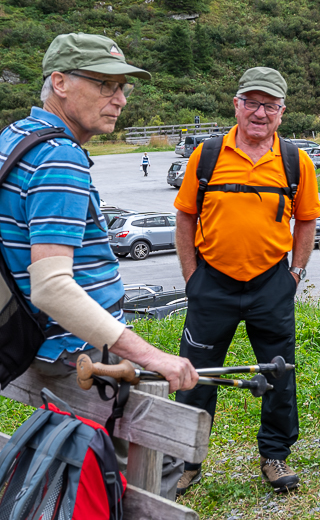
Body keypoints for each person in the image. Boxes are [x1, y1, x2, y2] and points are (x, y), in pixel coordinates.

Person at [0, 33, 199, 496]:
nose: (120, 99)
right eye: (105, 84)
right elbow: (52, 287)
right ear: (59, 82)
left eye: (123, 88)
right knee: (152, 467)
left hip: (35, 343)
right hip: (77, 353)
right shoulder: (60, 159)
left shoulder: (14, 138)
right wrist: (151, 356)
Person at [172, 67, 320, 495]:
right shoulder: (207, 155)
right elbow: (185, 216)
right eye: (252, 103)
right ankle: (186, 461)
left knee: (279, 373)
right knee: (197, 375)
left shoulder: (295, 161)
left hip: (271, 284)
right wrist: (191, 276)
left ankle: (275, 456)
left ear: (282, 112)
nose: (260, 113)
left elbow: (306, 221)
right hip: (212, 282)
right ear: (236, 105)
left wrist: (295, 274)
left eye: (269, 105)